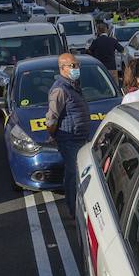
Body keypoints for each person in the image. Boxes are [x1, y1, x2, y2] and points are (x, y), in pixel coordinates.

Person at [44, 53, 94, 211]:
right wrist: (53, 135)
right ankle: (74, 211)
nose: (77, 68)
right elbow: (51, 120)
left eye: (77, 65)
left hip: (80, 137)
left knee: (78, 174)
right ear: (63, 68)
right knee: (73, 176)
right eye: (73, 66)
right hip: (69, 139)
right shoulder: (60, 90)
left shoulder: (73, 85)